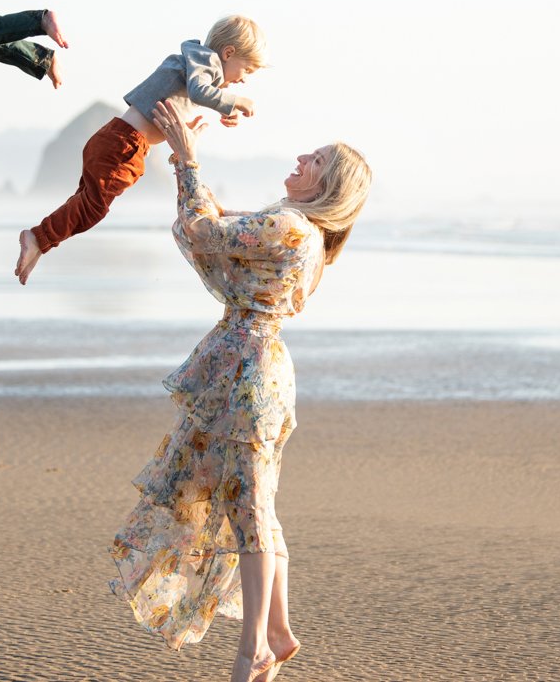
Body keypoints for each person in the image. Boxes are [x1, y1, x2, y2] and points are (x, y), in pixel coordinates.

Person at [110, 100, 372, 682]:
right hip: (257, 370)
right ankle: (276, 631)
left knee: (250, 507)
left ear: (327, 185)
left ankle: (255, 646)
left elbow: (202, 233)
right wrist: (193, 173)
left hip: (249, 374)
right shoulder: (305, 233)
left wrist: (186, 158)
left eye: (316, 159)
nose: (302, 158)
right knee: (253, 504)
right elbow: (221, 232)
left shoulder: (290, 226)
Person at [14, 15, 264, 285]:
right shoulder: (204, 67)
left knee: (82, 204)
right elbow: (200, 91)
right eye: (247, 70)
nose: (244, 80)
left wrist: (218, 107)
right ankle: (38, 237)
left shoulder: (190, 64)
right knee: (91, 209)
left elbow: (182, 100)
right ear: (228, 53)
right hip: (125, 146)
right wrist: (234, 101)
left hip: (113, 137)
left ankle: (40, 242)